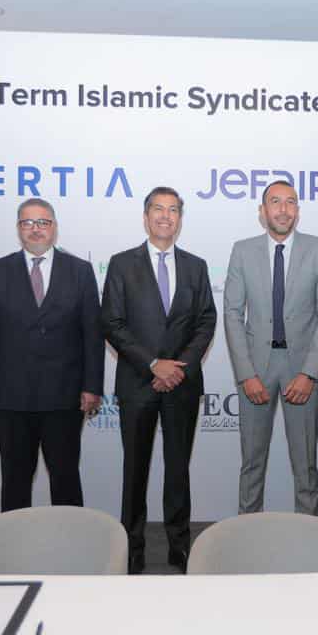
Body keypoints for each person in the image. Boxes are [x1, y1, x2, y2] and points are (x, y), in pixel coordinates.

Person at [100, 187, 216, 574]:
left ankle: (179, 546)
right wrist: (152, 364)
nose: (166, 216)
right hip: (138, 382)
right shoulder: (122, 264)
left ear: (180, 218)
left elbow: (206, 321)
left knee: (178, 469)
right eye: (158, 209)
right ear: (146, 216)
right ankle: (132, 548)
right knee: (135, 470)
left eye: (173, 210)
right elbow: (112, 322)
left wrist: (178, 367)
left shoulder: (196, 266)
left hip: (182, 383)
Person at [0, 198, 103, 513]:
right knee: (15, 479)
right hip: (11, 397)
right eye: (27, 222)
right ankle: (14, 541)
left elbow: (92, 335)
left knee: (65, 477)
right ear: (18, 228)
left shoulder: (80, 271)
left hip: (65, 397)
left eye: (43, 222)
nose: (35, 229)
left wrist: (92, 387)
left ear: (54, 227)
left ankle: (70, 540)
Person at [223, 180, 318, 515]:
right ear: (262, 211)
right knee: (251, 462)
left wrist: (309, 373)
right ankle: (247, 531)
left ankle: (309, 533)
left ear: (298, 210)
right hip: (255, 368)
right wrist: (246, 374)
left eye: (290, 202)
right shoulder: (242, 250)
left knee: (306, 465)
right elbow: (232, 314)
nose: (283, 209)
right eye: (275, 202)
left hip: (302, 369)